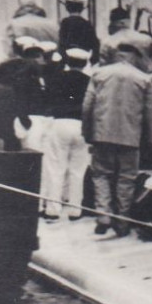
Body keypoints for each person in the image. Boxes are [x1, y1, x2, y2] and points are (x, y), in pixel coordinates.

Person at [82, 43, 152, 236]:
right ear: (134, 57)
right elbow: (151, 114)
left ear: (117, 56)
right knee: (126, 178)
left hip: (102, 134)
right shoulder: (144, 79)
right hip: (130, 137)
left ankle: (103, 215)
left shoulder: (99, 74)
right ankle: (122, 222)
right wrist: (151, 138)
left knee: (100, 175)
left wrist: (87, 132)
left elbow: (87, 106)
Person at [38, 46, 94, 221]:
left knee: (55, 168)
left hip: (59, 123)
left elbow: (47, 99)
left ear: (68, 62)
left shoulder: (56, 78)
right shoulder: (90, 80)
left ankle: (53, 210)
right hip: (81, 126)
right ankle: (75, 210)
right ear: (85, 63)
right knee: (78, 170)